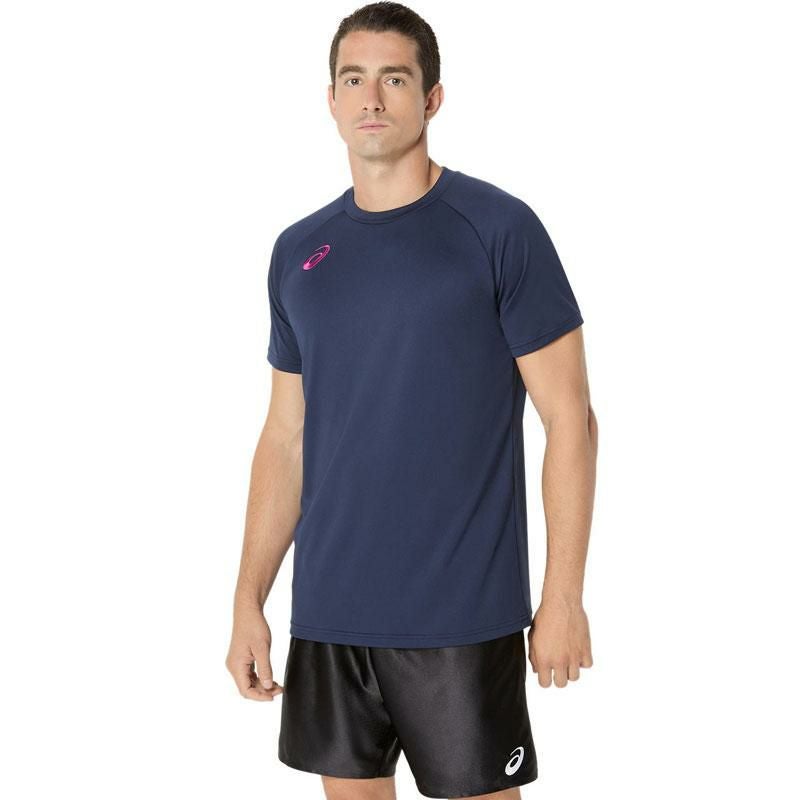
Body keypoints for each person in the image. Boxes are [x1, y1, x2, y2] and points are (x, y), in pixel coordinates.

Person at [225, 3, 597, 798]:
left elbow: (570, 419)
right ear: (330, 99)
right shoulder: (298, 252)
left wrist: (562, 597)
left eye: (393, 79)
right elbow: (286, 437)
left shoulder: (498, 229)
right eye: (353, 79)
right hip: (330, 614)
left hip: (461, 616)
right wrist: (248, 600)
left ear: (431, 98)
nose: (371, 98)